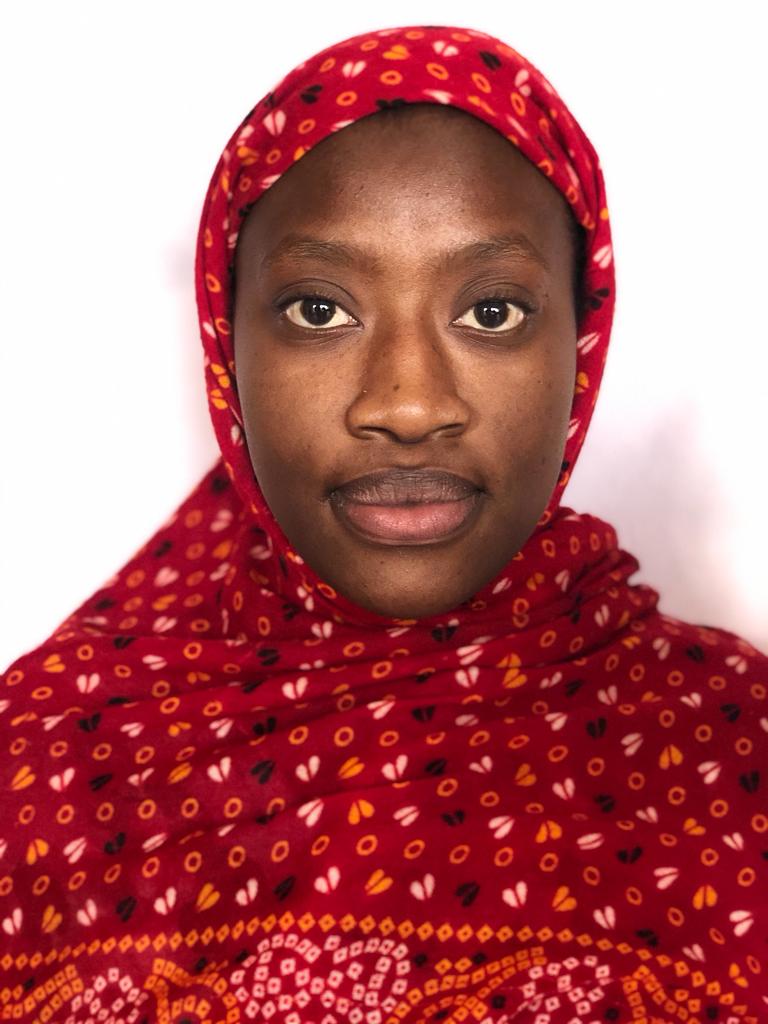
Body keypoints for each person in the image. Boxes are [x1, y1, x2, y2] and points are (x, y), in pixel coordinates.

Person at [1, 22, 765, 1023]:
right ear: (227, 343)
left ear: (580, 346)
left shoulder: (732, 752)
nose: (408, 404)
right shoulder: (43, 771)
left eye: (492, 312)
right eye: (320, 311)